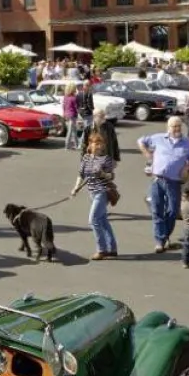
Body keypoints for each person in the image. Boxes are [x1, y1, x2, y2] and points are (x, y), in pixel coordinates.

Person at [138, 116, 189, 253]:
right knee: (157, 210)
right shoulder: (158, 138)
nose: (176, 129)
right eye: (173, 126)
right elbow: (141, 140)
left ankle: (164, 235)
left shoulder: (187, 143)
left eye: (178, 126)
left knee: (173, 210)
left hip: (174, 181)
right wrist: (147, 154)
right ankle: (160, 241)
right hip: (157, 179)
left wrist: (187, 167)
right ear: (168, 127)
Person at [70, 131, 118, 260]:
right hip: (92, 193)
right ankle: (112, 248)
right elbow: (81, 174)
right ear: (90, 144)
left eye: (100, 143)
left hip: (102, 192)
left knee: (93, 220)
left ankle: (101, 250)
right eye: (95, 143)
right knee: (103, 220)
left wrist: (103, 174)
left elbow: (111, 176)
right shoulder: (86, 158)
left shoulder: (106, 159)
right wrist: (75, 188)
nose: (97, 146)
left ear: (103, 145)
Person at [62, 84, 80, 150]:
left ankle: (77, 145)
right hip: (72, 115)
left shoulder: (65, 97)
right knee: (70, 131)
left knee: (74, 130)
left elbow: (63, 106)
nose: (76, 90)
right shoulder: (74, 98)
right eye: (75, 88)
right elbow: (76, 107)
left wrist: (64, 114)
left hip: (67, 115)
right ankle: (67, 146)